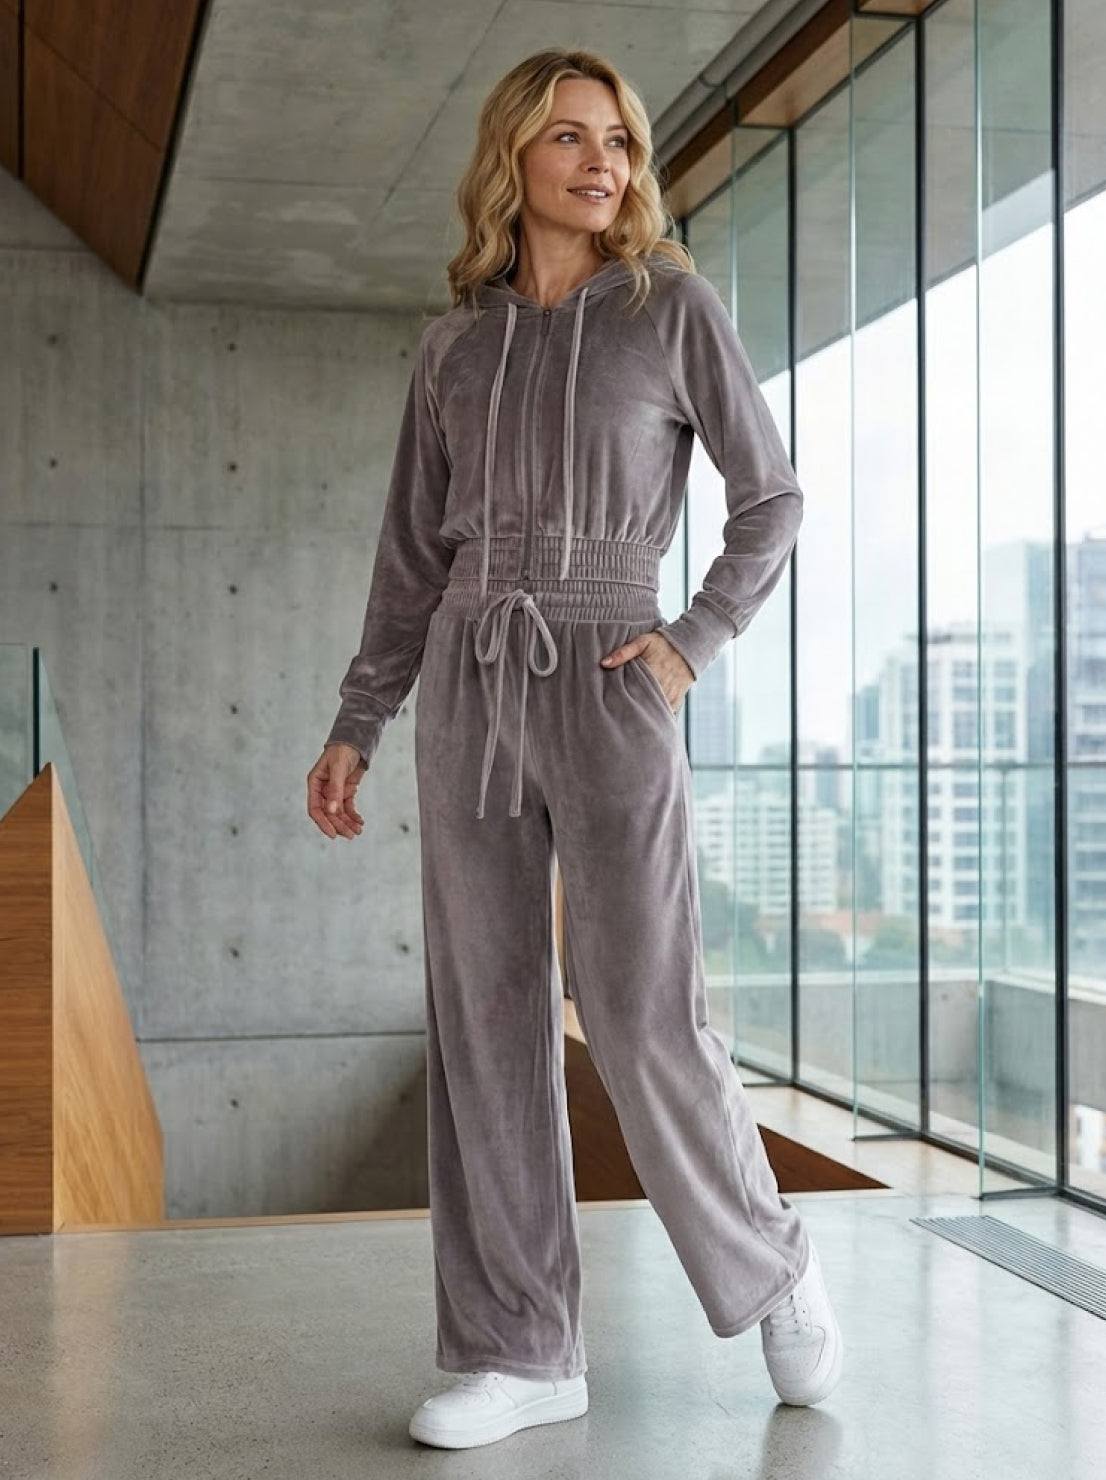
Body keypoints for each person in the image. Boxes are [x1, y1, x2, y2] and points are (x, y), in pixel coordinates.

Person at [306, 47, 843, 1451]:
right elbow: (410, 561)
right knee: (485, 1021)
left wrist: (688, 642)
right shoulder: (454, 347)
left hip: (612, 673)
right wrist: (360, 719)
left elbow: (771, 498)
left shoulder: (671, 309)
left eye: (618, 140)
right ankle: (519, 1349)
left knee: (642, 1011)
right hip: (470, 689)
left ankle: (772, 1264)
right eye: (568, 138)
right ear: (513, 158)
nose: (602, 162)